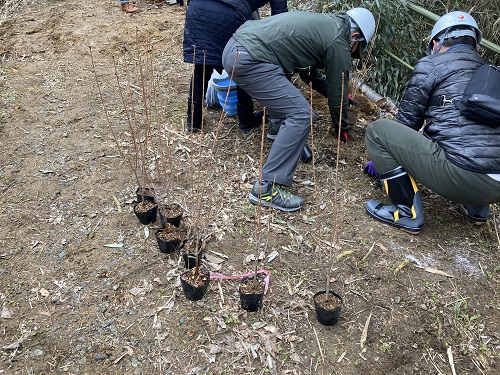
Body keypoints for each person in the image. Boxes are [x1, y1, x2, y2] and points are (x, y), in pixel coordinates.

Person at [222, 8, 376, 211]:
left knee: (284, 84)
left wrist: (337, 95)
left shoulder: (326, 25)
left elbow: (308, 73)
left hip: (238, 46)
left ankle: (277, 130)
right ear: (354, 36)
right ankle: (268, 188)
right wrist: (342, 127)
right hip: (250, 58)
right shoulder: (339, 41)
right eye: (357, 47)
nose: (353, 51)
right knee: (302, 115)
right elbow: (338, 88)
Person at [364, 11, 500, 233]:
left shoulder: (432, 65)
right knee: (479, 138)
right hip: (496, 186)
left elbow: (405, 124)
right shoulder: (491, 74)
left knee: (378, 131)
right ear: (475, 44)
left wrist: (380, 163)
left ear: (436, 43)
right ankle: (478, 210)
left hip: (461, 177)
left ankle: (406, 211)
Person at [183, 0, 288, 133]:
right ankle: (246, 120)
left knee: (202, 65)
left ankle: (193, 121)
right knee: (241, 64)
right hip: (230, 12)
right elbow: (281, 18)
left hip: (197, 9)